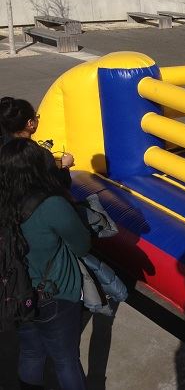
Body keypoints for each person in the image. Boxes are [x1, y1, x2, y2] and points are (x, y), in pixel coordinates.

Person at [0, 138, 91, 390]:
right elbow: (82, 245)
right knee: (66, 361)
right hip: (55, 294)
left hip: (15, 293)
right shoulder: (51, 205)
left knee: (30, 352)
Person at [0, 97, 73, 187]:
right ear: (30, 124)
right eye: (36, 116)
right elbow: (61, 184)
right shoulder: (40, 155)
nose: (37, 118)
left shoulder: (3, 149)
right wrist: (65, 166)